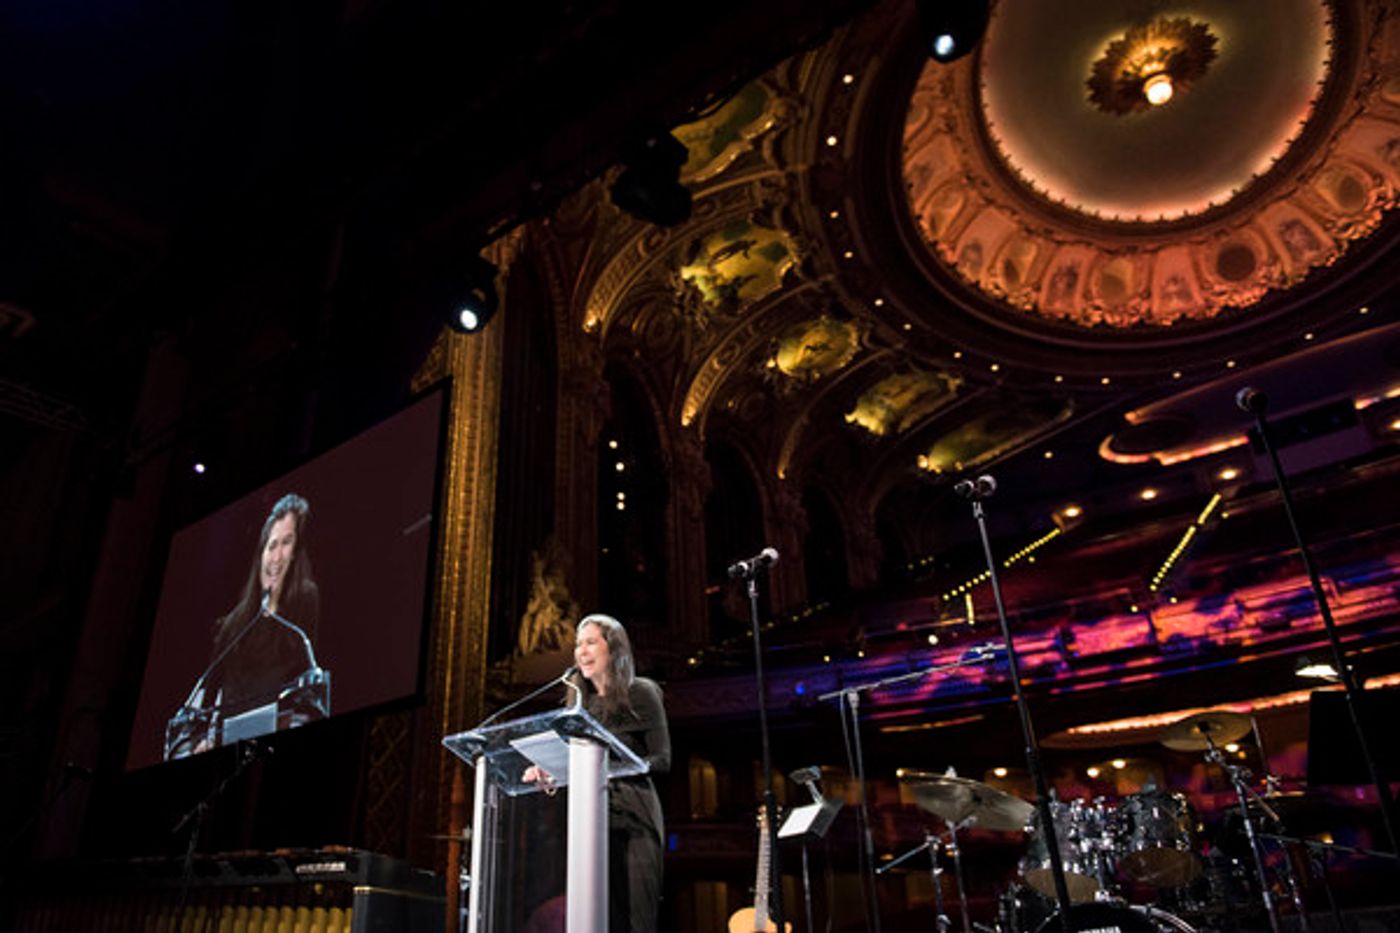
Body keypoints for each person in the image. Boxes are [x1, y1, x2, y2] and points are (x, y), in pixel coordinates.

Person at [525, 613, 671, 933]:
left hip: (636, 818)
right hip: (590, 820)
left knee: (636, 922)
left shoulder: (642, 693)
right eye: (578, 645)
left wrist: (605, 770)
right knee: (598, 919)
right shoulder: (579, 708)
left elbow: (662, 759)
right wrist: (548, 768)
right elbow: (572, 762)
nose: (581, 651)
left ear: (614, 649)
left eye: (591, 642)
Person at [205, 493, 321, 718]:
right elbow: (207, 696)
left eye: (286, 543)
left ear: (296, 553)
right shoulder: (234, 624)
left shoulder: (306, 599)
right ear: (261, 553)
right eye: (272, 545)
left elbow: (307, 684)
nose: (276, 556)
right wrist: (205, 737)